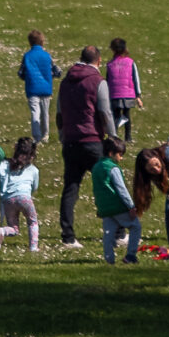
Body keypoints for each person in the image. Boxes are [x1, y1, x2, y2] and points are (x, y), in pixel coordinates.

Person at [56, 45, 114, 249]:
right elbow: (105, 112)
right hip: (92, 140)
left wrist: (63, 136)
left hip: (71, 140)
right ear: (98, 61)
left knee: (71, 188)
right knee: (108, 185)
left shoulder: (65, 82)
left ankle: (68, 235)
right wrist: (113, 136)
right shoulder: (98, 81)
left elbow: (59, 113)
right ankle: (119, 230)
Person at [91, 137, 142, 264]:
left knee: (108, 233)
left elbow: (96, 189)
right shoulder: (112, 168)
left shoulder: (96, 167)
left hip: (104, 207)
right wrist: (131, 206)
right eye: (120, 154)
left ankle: (109, 259)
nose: (121, 158)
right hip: (118, 206)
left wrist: (99, 206)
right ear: (111, 153)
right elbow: (121, 189)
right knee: (135, 226)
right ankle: (131, 255)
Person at [0, 136, 41, 248]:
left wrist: (2, 186)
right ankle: (33, 247)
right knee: (32, 222)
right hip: (24, 198)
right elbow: (34, 187)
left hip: (8, 200)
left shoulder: (6, 164)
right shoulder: (34, 170)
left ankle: (2, 231)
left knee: (14, 228)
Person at [18, 31, 56, 141]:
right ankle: (45, 135)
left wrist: (26, 78)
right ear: (42, 42)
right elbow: (56, 70)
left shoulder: (27, 56)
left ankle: (37, 136)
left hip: (32, 88)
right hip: (46, 88)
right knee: (45, 113)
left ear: (30, 42)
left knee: (35, 112)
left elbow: (21, 73)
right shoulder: (47, 56)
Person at [105, 38, 143, 139]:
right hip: (128, 94)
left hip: (114, 95)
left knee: (116, 116)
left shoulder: (110, 64)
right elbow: (135, 79)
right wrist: (138, 96)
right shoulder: (130, 62)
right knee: (126, 115)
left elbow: (107, 81)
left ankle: (114, 135)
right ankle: (128, 136)